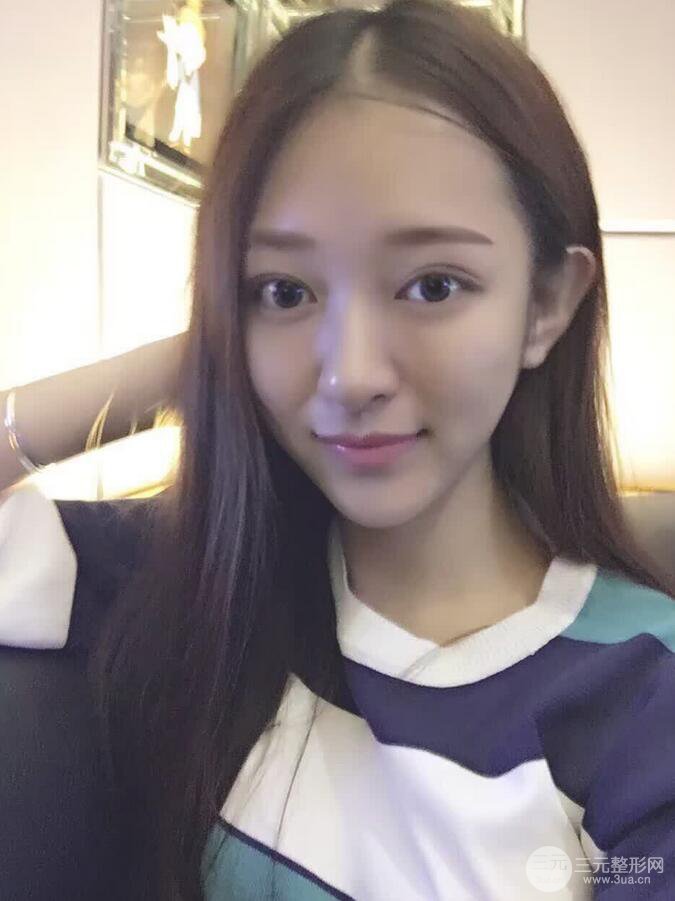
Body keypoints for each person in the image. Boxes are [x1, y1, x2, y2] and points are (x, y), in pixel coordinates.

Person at [1, 0, 674, 898]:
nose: (350, 374)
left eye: (432, 285)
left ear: (546, 303)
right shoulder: (200, 578)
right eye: (284, 291)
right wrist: (203, 357)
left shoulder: (640, 695)